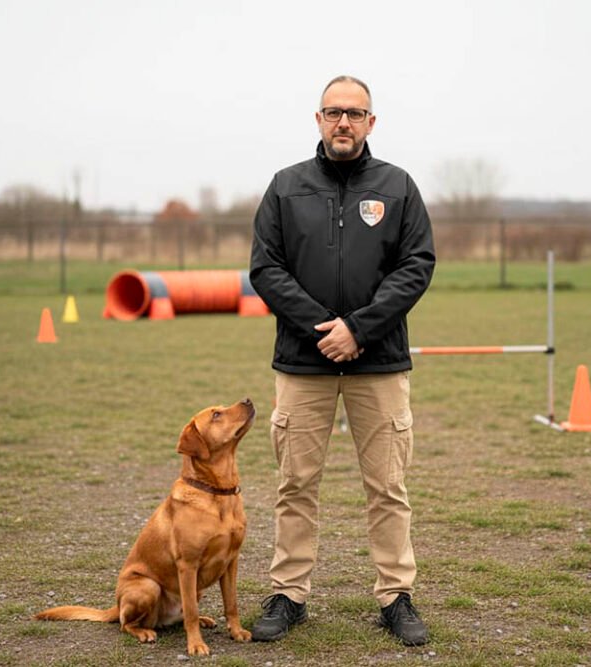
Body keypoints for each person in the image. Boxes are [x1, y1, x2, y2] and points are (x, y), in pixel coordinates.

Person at [248, 75, 435, 646]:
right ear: (318, 119)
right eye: (334, 113)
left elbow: (417, 265)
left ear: (372, 122)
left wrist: (359, 328)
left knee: (388, 484)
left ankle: (396, 596)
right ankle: (289, 593)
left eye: (355, 114)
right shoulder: (285, 187)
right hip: (303, 364)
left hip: (378, 363)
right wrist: (321, 328)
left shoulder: (398, 186)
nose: (344, 123)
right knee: (295, 483)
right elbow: (266, 268)